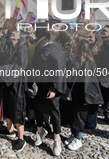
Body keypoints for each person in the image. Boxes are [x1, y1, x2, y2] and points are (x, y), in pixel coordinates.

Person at [32, 23, 72, 156]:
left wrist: (54, 88)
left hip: (52, 84)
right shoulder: (42, 41)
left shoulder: (60, 47)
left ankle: (57, 139)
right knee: (37, 107)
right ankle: (40, 131)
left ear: (61, 31)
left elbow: (59, 69)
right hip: (40, 81)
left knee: (54, 112)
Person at [0, 30, 30, 152]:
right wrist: (2, 26)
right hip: (8, 82)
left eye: (15, 32)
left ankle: (21, 138)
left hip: (17, 84)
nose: (13, 33)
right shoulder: (10, 46)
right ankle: (9, 130)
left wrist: (0, 69)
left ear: (20, 37)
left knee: (17, 110)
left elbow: (21, 67)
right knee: (7, 107)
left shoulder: (22, 49)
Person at [64, 34, 103, 150]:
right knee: (71, 114)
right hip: (71, 90)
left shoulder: (86, 59)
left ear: (80, 43)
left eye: (74, 40)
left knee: (79, 115)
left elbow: (90, 80)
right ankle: (73, 134)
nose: (72, 41)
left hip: (81, 92)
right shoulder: (70, 55)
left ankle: (78, 138)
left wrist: (88, 97)